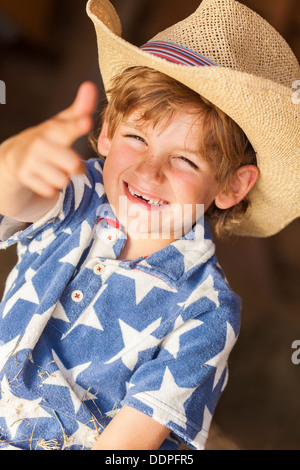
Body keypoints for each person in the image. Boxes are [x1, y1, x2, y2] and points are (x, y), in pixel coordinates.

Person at [0, 0, 298, 451]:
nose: (148, 170)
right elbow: (17, 195)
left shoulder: (207, 312)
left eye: (184, 159)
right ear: (106, 133)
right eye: (136, 137)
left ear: (233, 186)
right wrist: (15, 162)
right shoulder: (80, 190)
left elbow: (125, 448)